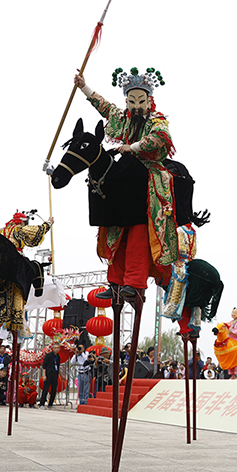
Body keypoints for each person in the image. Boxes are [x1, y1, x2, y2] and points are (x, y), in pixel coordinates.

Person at [75, 67, 177, 303]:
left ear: (149, 100)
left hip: (149, 178)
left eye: (140, 101)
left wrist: (133, 147)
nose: (136, 106)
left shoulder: (157, 119)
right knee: (115, 228)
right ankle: (115, 283)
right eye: (131, 101)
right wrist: (83, 87)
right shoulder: (124, 119)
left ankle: (134, 281)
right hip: (126, 178)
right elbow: (106, 107)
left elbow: (161, 137)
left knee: (139, 233)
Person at [39, 343, 62, 408]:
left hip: (55, 374)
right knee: (45, 389)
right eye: (55, 348)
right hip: (48, 374)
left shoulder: (58, 357)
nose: (57, 349)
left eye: (58, 348)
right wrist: (44, 375)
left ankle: (50, 404)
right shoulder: (48, 355)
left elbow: (58, 366)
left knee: (54, 389)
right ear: (53, 348)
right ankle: (42, 404)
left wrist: (61, 376)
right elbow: (44, 366)